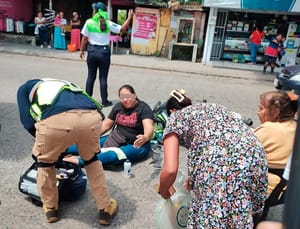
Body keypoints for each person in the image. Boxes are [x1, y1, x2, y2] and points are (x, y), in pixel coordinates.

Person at [158, 89, 268, 228]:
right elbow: (208, 143)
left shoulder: (175, 118)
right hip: (254, 152)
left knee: (212, 213)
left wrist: (163, 190)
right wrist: (194, 177)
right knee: (239, 207)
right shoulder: (212, 107)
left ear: (172, 111)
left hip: (221, 161)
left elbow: (170, 169)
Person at [17, 78, 117, 225]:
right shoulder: (63, 84)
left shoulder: (24, 89)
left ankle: (51, 208)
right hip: (91, 119)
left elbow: (27, 123)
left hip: (56, 122)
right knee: (92, 161)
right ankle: (105, 208)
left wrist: (48, 148)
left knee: (45, 164)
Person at [64, 84, 154, 167]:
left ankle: (78, 160)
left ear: (134, 95)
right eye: (122, 98)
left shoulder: (143, 108)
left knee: (112, 156)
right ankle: (60, 150)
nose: (125, 100)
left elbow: (149, 127)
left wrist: (145, 137)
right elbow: (106, 125)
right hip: (116, 138)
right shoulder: (118, 107)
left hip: (137, 144)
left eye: (128, 96)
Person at [80, 2, 134, 107]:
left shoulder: (89, 22)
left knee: (91, 76)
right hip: (104, 52)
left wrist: (82, 50)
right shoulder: (108, 23)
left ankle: (87, 100)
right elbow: (122, 29)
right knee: (103, 78)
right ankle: (104, 101)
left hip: (92, 51)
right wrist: (129, 17)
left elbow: (84, 38)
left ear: (95, 11)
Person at [254, 90, 297, 195]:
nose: (258, 112)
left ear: (276, 111)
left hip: (263, 189)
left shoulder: (268, 129)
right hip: (285, 191)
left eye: (261, 108)